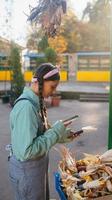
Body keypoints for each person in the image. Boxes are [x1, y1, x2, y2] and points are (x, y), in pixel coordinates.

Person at [8, 63, 75, 200]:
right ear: (39, 83)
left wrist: (61, 135)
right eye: (52, 86)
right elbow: (27, 151)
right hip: (27, 174)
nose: (53, 91)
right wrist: (55, 132)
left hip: (34, 171)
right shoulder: (26, 108)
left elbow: (41, 134)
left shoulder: (36, 102)